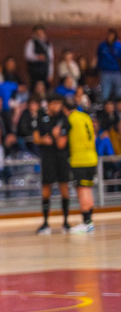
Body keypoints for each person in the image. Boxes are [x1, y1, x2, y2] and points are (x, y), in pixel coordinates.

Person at [33, 93, 71, 234]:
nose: (57, 106)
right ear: (48, 104)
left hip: (61, 157)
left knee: (64, 188)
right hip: (47, 157)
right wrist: (43, 140)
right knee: (46, 189)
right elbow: (36, 137)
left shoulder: (63, 118)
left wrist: (55, 136)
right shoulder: (41, 116)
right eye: (55, 103)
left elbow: (61, 143)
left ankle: (65, 222)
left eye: (59, 103)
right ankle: (45, 223)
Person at [64, 97, 98, 234]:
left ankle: (86, 222)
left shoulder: (70, 119)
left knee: (82, 190)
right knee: (88, 189)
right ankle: (89, 221)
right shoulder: (85, 116)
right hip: (92, 157)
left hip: (79, 159)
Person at [97, 29, 121, 102]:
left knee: (119, 91)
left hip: (116, 72)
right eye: (109, 35)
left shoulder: (118, 45)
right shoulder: (102, 46)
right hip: (105, 72)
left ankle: (118, 106)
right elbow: (98, 57)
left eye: (112, 35)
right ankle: (105, 106)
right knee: (105, 92)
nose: (110, 36)